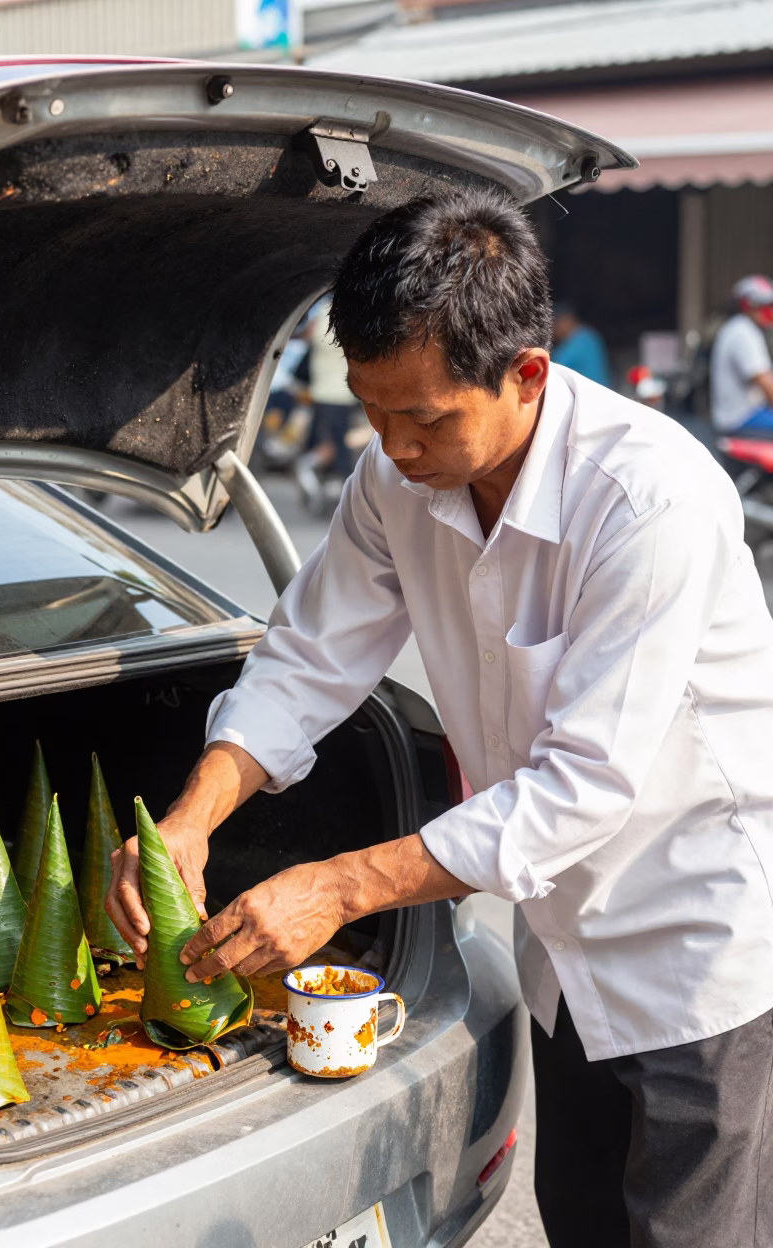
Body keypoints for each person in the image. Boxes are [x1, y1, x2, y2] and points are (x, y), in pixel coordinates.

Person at [107, 189, 773, 1247]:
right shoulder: (392, 481)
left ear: (526, 377)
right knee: (585, 1223)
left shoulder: (649, 503)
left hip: (693, 944)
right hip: (563, 944)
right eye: (372, 413)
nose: (394, 447)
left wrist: (337, 885)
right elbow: (308, 657)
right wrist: (192, 817)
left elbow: (579, 789)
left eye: (424, 418)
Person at [294, 297, 359, 513]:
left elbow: (310, 336)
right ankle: (332, 487)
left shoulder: (326, 311)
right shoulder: (349, 311)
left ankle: (311, 472)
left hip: (330, 393)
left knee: (330, 445)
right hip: (337, 392)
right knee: (336, 444)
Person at [710, 274, 773, 432]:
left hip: (744, 415)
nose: (768, 311)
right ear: (747, 305)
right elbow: (765, 382)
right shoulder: (742, 331)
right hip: (740, 419)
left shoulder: (739, 328)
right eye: (763, 305)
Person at [550, 301, 611, 387]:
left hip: (590, 394)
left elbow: (553, 368)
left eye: (557, 323)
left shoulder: (578, 339)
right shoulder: (589, 333)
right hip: (602, 390)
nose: (555, 329)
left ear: (568, 319)